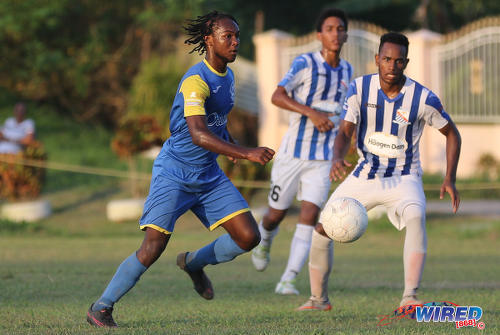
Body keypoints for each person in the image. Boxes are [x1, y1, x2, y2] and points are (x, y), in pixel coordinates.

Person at [86, 11, 275, 328]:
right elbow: (198, 133)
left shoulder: (227, 77)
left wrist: (230, 143)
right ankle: (101, 307)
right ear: (209, 40)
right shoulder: (194, 81)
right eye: (227, 36)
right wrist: (245, 153)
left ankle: (193, 263)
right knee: (153, 246)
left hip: (208, 175)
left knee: (248, 237)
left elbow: (216, 124)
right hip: (175, 173)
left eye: (237, 35)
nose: (235, 42)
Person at [297, 32, 461, 311]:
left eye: (398, 61)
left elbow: (452, 134)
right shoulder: (359, 88)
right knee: (323, 228)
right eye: (386, 59)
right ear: (377, 59)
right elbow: (345, 131)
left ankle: (410, 298)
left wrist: (449, 178)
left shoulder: (423, 98)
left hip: (404, 175)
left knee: (416, 214)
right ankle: (318, 300)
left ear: (405, 63)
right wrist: (337, 157)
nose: (391, 66)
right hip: (365, 173)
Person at [251, 8, 353, 295]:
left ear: (345, 34)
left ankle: (288, 279)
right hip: (292, 154)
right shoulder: (305, 63)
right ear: (320, 35)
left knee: (310, 214)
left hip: (322, 158)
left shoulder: (348, 71)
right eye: (330, 28)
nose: (335, 33)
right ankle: (265, 240)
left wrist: (348, 144)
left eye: (340, 28)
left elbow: (346, 114)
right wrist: (311, 113)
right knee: (276, 214)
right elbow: (277, 95)